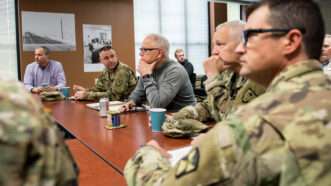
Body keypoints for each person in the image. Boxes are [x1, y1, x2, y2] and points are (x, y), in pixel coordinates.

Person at [124, 0, 331, 185]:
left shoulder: (259, 120)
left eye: (249, 37)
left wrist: (146, 154)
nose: (241, 49)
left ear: (291, 41)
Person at [162, 21, 265, 138]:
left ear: (243, 45)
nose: (214, 51)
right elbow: (209, 106)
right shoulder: (228, 72)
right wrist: (182, 115)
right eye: (214, 45)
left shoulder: (259, 77)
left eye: (220, 44)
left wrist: (212, 77)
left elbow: (235, 120)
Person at [0, 77, 78, 185]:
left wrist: (53, 88)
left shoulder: (11, 91)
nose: (37, 58)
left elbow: (62, 83)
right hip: (61, 172)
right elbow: (27, 85)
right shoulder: (14, 86)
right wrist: (34, 89)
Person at [122, 34, 196, 112]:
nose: (140, 54)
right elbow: (137, 94)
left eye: (145, 50)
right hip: (164, 119)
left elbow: (157, 106)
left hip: (184, 119)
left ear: (159, 53)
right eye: (141, 49)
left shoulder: (175, 71)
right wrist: (131, 102)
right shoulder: (149, 67)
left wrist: (146, 76)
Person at [73, 46, 137, 101]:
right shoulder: (105, 71)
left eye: (112, 56)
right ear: (101, 61)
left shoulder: (122, 70)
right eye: (106, 58)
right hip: (117, 105)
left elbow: (115, 96)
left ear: (116, 57)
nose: (111, 60)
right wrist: (85, 91)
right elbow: (99, 88)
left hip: (129, 105)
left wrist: (87, 95)